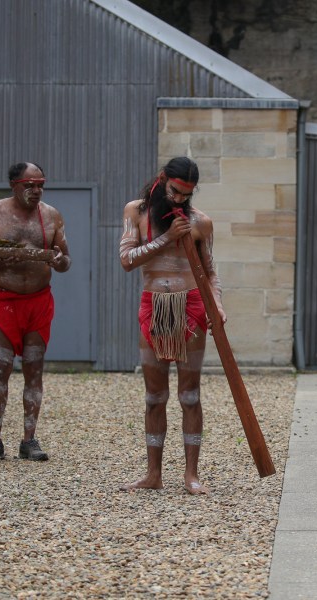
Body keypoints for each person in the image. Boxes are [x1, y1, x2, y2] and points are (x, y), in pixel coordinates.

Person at [118, 157, 225, 495]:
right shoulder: (136, 212)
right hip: (154, 304)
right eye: (175, 191)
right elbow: (126, 260)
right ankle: (153, 473)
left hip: (190, 305)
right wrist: (166, 239)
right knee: (154, 396)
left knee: (190, 395)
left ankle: (191, 475)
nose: (179, 199)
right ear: (163, 179)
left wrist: (217, 304)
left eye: (186, 194)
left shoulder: (200, 222)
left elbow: (210, 272)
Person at [0, 162, 71, 463]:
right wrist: (2, 258)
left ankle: (29, 440)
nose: (36, 191)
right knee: (0, 368)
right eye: (29, 185)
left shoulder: (51, 216)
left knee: (34, 369)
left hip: (38, 302)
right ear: (14, 185)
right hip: (4, 301)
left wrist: (56, 260)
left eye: (40, 185)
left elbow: (66, 261)